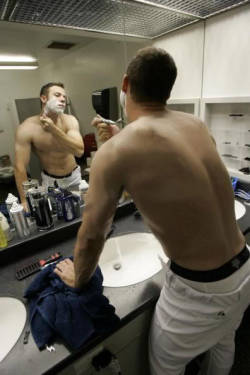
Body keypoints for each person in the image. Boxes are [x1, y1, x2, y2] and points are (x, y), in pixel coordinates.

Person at [54, 47, 250, 375]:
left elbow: (91, 236)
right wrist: (122, 139)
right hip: (243, 266)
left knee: (163, 365)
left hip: (200, 292)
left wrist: (80, 279)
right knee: (223, 339)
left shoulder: (115, 153)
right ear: (168, 90)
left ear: (126, 85)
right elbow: (176, 174)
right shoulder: (195, 125)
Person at [14, 82, 84, 209]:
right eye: (57, 95)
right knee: (58, 219)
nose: (62, 99)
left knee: (84, 212)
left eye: (64, 96)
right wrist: (24, 200)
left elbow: (79, 151)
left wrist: (54, 130)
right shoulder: (27, 128)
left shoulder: (70, 120)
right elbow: (20, 167)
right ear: (43, 98)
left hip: (74, 178)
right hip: (51, 183)